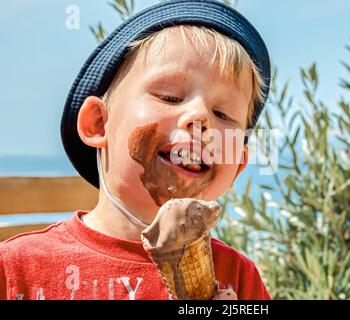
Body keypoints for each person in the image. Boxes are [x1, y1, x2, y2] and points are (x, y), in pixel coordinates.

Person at [0, 0, 271, 300]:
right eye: (169, 97)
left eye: (223, 114)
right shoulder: (15, 269)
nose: (200, 116)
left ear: (238, 165)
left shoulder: (238, 278)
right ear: (98, 123)